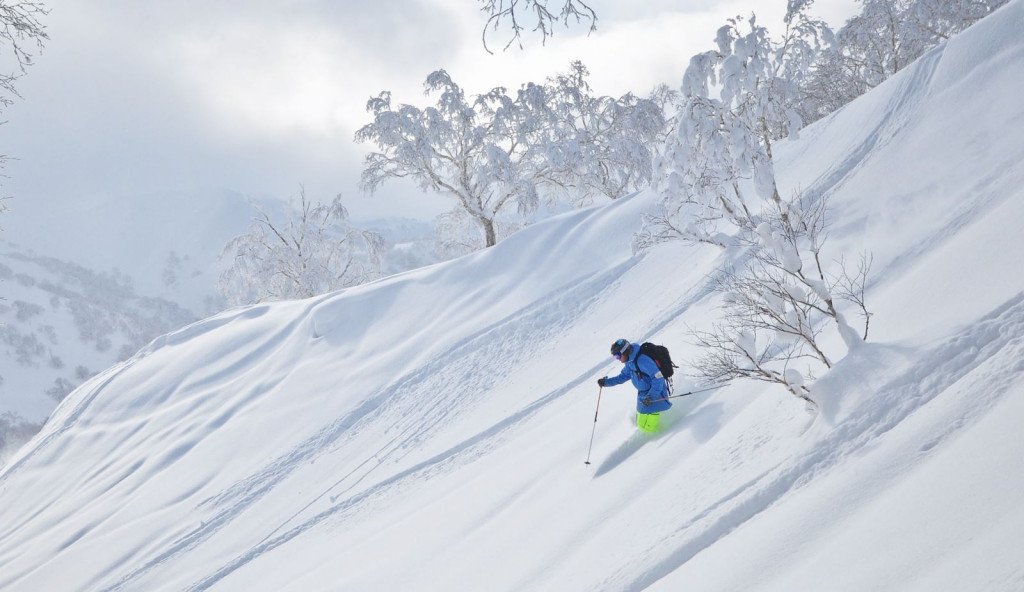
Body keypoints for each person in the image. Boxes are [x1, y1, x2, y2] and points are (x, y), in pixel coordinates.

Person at [597, 339, 671, 433]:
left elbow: (659, 378)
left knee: (648, 428)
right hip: (643, 396)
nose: (618, 359)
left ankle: (659, 440)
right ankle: (650, 439)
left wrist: (651, 396)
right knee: (641, 425)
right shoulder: (630, 362)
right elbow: (622, 377)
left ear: (625, 352)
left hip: (655, 395)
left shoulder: (643, 360)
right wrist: (606, 382)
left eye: (618, 356)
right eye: (615, 357)